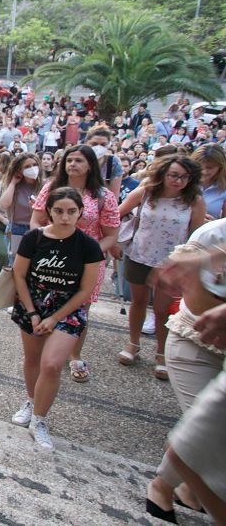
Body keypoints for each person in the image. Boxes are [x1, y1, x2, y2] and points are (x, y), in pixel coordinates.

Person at [144, 219, 226, 522]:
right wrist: (207, 258)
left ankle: (176, 486)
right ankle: (164, 486)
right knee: (204, 431)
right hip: (196, 343)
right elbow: (182, 287)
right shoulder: (213, 233)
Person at [10, 187, 104, 450]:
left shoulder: (89, 246)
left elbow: (86, 290)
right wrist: (32, 311)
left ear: (80, 213)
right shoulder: (34, 238)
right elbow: (19, 275)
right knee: (32, 359)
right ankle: (31, 400)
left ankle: (39, 419)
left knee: (51, 364)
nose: (65, 217)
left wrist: (55, 318)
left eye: (71, 211)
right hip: (34, 303)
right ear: (49, 211)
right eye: (59, 211)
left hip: (69, 309)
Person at [31, 144, 121, 384]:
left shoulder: (103, 196)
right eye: (69, 160)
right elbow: (36, 221)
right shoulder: (52, 188)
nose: (72, 164)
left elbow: (111, 235)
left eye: (79, 160)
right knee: (45, 304)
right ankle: (44, 350)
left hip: (87, 263)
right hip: (51, 260)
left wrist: (87, 254)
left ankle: (74, 355)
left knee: (80, 310)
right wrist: (41, 248)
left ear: (90, 165)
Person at [117, 155, 205, 379]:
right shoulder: (146, 192)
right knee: (138, 302)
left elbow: (195, 236)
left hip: (172, 262)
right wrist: (115, 241)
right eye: (174, 175)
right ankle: (133, 344)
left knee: (162, 309)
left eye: (185, 177)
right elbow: (117, 213)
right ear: (162, 174)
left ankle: (161, 353)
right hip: (139, 255)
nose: (179, 181)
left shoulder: (193, 199)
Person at [0, 154, 43, 267]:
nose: (32, 168)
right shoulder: (14, 185)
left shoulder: (45, 185)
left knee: (35, 264)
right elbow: (3, 205)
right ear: (19, 169)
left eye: (34, 165)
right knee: (16, 264)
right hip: (17, 228)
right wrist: (13, 183)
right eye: (27, 166)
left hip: (39, 229)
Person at [193, 143, 226, 220]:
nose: (203, 171)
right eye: (199, 166)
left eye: (209, 168)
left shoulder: (224, 188)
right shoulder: (183, 182)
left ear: (220, 167)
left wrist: (213, 223)